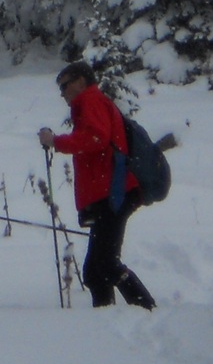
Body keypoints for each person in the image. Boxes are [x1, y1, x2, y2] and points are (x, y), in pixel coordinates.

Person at [38, 61, 156, 310]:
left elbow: (96, 138)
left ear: (81, 81)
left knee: (105, 264)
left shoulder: (91, 100)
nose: (62, 93)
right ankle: (106, 318)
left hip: (114, 193)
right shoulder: (90, 104)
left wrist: (56, 142)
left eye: (65, 85)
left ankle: (146, 309)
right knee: (95, 269)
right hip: (111, 193)